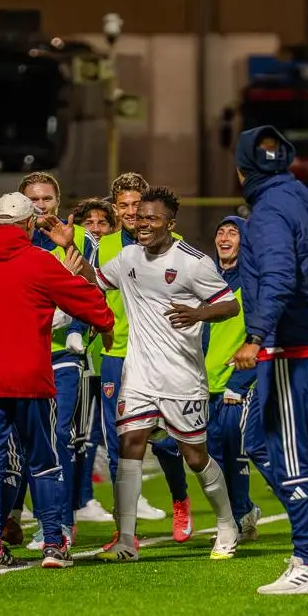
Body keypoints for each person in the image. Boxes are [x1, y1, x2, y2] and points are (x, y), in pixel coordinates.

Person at [0, 192, 115, 570]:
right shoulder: (38, 261)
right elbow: (87, 301)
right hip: (31, 378)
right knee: (43, 461)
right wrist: (105, 322)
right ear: (29, 224)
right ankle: (53, 545)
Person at [231, 126, 308, 595]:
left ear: (242, 169)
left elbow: (279, 275)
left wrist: (256, 336)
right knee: (258, 441)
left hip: (290, 345)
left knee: (286, 449)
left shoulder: (267, 211)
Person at [94, 186, 241, 563]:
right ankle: (127, 539)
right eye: (140, 218)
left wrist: (199, 313)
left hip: (182, 378)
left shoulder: (193, 262)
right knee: (130, 445)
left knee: (195, 456)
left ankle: (227, 523)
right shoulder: (128, 257)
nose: (143, 224)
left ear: (170, 224)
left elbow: (229, 305)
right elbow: (95, 283)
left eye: (152, 219)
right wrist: (69, 251)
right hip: (139, 376)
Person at [95, 173, 193, 544]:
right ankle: (126, 530)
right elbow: (90, 291)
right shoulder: (104, 247)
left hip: (159, 356)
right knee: (119, 445)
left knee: (165, 439)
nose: (131, 212)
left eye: (137, 204)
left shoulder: (176, 246)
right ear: (115, 209)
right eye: (124, 205)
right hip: (116, 354)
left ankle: (180, 498)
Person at [20, 172, 99, 549]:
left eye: (46, 198)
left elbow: (93, 289)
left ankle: (62, 522)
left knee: (60, 437)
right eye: (33, 199)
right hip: (23, 352)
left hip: (64, 353)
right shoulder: (15, 240)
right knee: (29, 440)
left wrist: (69, 322)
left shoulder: (80, 237)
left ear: (58, 200)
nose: (40, 205)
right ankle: (41, 520)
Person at [203, 216, 264, 540]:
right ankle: (238, 513)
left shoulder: (253, 282)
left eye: (233, 233)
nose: (225, 237)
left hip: (237, 384)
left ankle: (239, 517)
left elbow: (261, 336)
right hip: (204, 383)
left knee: (235, 449)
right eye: (220, 231)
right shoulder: (204, 278)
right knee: (210, 458)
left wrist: (239, 383)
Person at [70, 198, 116, 524]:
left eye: (103, 223)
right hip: (86, 353)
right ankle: (81, 498)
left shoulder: (118, 256)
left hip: (112, 352)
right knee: (82, 432)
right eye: (90, 223)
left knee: (106, 431)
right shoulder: (75, 257)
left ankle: (92, 498)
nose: (96, 228)